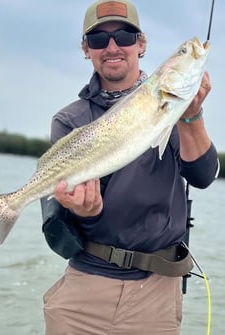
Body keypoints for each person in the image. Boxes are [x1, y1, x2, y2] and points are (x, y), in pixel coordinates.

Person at [41, 1, 219, 334]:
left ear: (142, 44)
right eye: (97, 39)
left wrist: (191, 116)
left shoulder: (169, 105)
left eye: (124, 35)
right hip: (84, 285)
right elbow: (74, 209)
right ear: (85, 49)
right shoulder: (69, 120)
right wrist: (85, 210)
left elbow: (204, 176)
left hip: (155, 291)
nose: (112, 47)